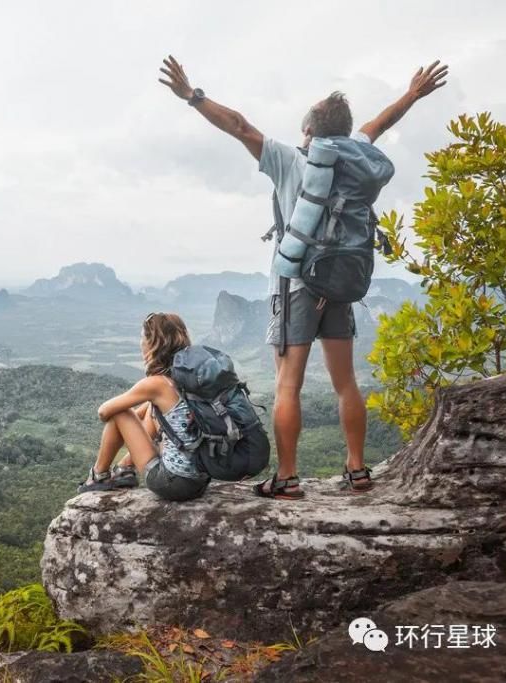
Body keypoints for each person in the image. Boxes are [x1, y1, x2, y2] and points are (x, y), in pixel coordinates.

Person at [157, 56, 448, 499]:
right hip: (342, 284)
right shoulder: (356, 157)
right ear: (345, 133)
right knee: (346, 381)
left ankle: (288, 477)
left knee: (287, 383)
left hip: (297, 286)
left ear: (309, 132)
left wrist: (193, 96)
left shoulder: (292, 160)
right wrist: (412, 94)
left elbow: (239, 125)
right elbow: (378, 124)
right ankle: (357, 469)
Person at [78, 312, 210, 502]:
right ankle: (124, 470)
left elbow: (104, 411)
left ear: (153, 343)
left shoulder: (156, 384)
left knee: (120, 412)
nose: (141, 342)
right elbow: (150, 411)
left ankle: (98, 475)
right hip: (199, 482)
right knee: (150, 408)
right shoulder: (188, 376)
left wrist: (125, 419)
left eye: (142, 337)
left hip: (173, 484)